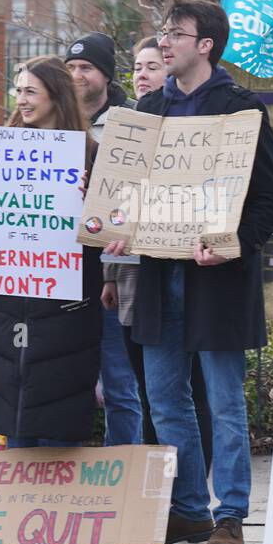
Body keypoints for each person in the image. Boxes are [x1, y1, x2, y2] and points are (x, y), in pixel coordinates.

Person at [106, 0, 273, 544]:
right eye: (161, 32)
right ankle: (188, 511)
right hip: (161, 278)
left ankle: (230, 514)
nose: (163, 41)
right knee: (164, 400)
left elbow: (268, 201)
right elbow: (124, 196)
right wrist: (119, 230)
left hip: (217, 282)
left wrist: (234, 247)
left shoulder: (240, 109)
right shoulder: (147, 110)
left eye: (175, 33)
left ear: (205, 44)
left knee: (226, 403)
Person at [0, 56, 103, 446]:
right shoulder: (2, 150)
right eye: (18, 90)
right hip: (11, 303)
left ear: (56, 95)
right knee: (14, 417)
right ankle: (18, 503)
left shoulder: (92, 155)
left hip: (65, 308)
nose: (21, 100)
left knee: (59, 420)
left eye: (30, 91)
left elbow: (110, 235)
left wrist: (91, 208)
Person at [107, 37, 214, 467]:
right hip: (136, 278)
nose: (143, 75)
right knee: (153, 390)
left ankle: (191, 483)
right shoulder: (128, 127)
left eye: (152, 65)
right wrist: (110, 276)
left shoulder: (188, 122)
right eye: (136, 68)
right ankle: (158, 484)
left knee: (189, 392)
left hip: (190, 271)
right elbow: (116, 206)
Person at [65, 32, 144, 446]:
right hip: (59, 272)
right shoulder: (52, 120)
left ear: (105, 76)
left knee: (119, 385)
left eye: (86, 68)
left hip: (111, 268)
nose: (77, 76)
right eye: (71, 68)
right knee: (65, 380)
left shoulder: (129, 122)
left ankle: (122, 470)